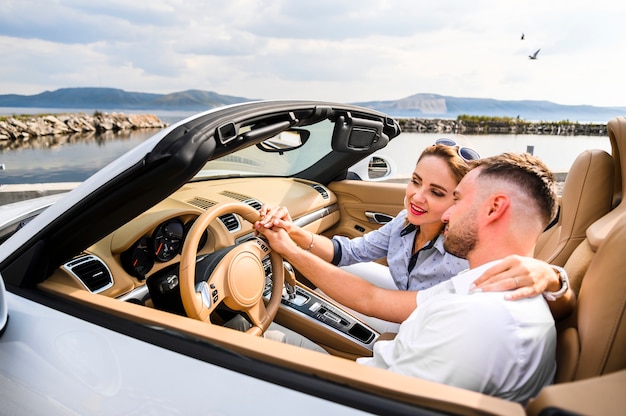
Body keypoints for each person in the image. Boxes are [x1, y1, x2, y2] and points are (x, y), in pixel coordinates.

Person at [257, 152, 560, 403]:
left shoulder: (479, 319)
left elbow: (381, 402)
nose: (446, 215)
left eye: (456, 199)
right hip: (377, 368)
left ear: (494, 208)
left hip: (356, 392)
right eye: (415, 182)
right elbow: (371, 295)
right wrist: (291, 240)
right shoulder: (475, 284)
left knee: (254, 339)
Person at [256, 141, 574, 332]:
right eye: (415, 182)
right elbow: (347, 253)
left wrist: (553, 277)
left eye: (436, 192)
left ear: (460, 199)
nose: (417, 198)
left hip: (418, 318)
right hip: (404, 304)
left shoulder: (467, 247)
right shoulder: (403, 223)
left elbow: (538, 296)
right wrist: (292, 233)